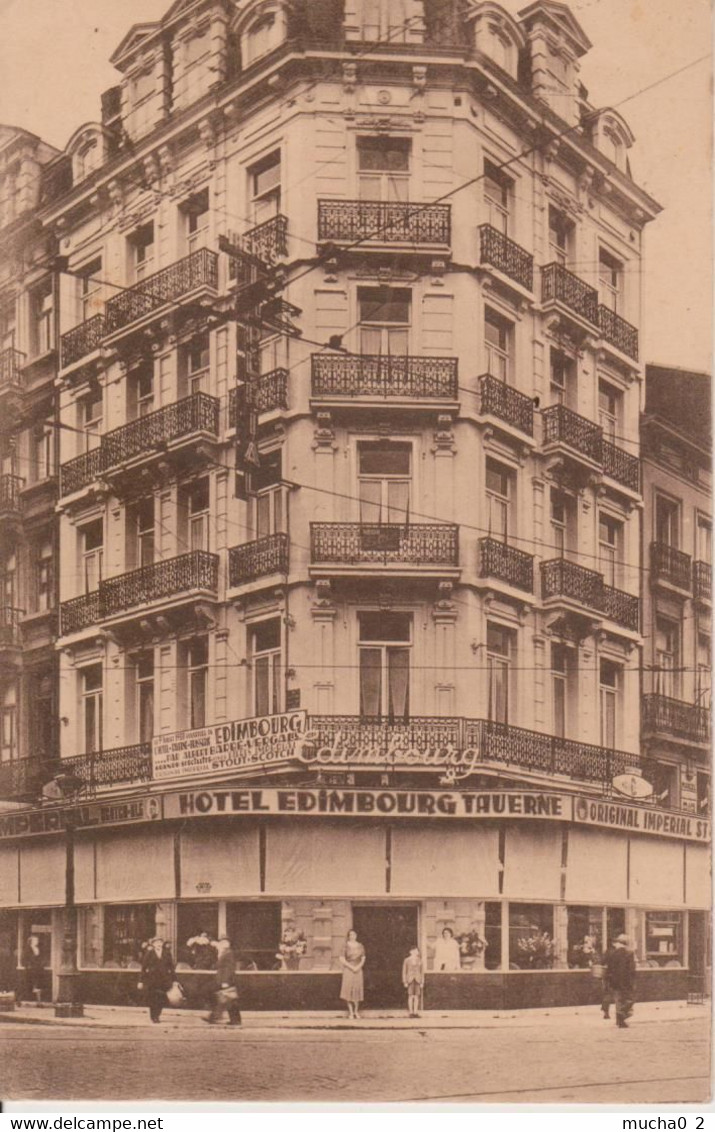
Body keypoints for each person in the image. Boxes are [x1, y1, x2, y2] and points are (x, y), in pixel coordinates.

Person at [203, 937, 242, 1026]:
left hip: (226, 980)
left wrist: (225, 981)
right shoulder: (225, 953)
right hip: (223, 980)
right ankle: (234, 1019)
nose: (221, 944)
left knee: (227, 1000)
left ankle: (215, 1017)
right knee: (227, 1000)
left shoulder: (228, 954)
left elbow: (228, 968)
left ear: (227, 944)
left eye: (223, 943)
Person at [138, 937, 175, 1023]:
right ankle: (154, 1016)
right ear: (153, 944)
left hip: (164, 980)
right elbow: (144, 967)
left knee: (162, 999)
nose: (158, 944)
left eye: (160, 942)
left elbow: (171, 968)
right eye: (156, 942)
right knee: (153, 998)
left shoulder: (167, 953)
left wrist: (174, 980)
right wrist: (140, 981)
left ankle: (157, 1014)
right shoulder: (149, 953)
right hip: (152, 980)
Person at [604, 933, 636, 1029]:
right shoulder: (629, 953)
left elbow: (606, 966)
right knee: (629, 999)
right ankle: (622, 1016)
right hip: (626, 981)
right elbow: (631, 969)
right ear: (626, 943)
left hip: (614, 981)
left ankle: (619, 1020)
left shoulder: (612, 953)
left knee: (618, 1000)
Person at [339, 929, 365, 1020]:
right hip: (348, 970)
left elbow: (363, 958)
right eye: (350, 935)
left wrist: (358, 967)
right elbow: (342, 959)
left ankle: (356, 1011)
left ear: (356, 935)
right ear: (348, 936)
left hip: (358, 970)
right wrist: (351, 967)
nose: (352, 936)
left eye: (354, 934)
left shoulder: (360, 946)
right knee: (348, 990)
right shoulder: (345, 946)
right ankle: (350, 1012)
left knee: (357, 990)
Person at [402, 946, 424, 1018]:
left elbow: (422, 972)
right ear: (411, 952)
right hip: (410, 979)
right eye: (414, 951)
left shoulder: (420, 960)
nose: (416, 952)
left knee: (416, 996)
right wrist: (405, 981)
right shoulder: (407, 960)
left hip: (417, 979)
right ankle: (411, 1012)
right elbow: (404, 971)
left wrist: (422, 982)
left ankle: (415, 1012)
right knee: (410, 996)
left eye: (417, 951)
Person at [22, 935, 44, 1004]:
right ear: (31, 941)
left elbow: (41, 958)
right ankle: (19, 1000)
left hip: (38, 969)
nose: (37, 941)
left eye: (37, 940)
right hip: (30, 970)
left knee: (38, 985)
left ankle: (39, 1002)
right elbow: (24, 959)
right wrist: (28, 965)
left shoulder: (38, 949)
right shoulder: (27, 949)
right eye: (35, 940)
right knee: (28, 985)